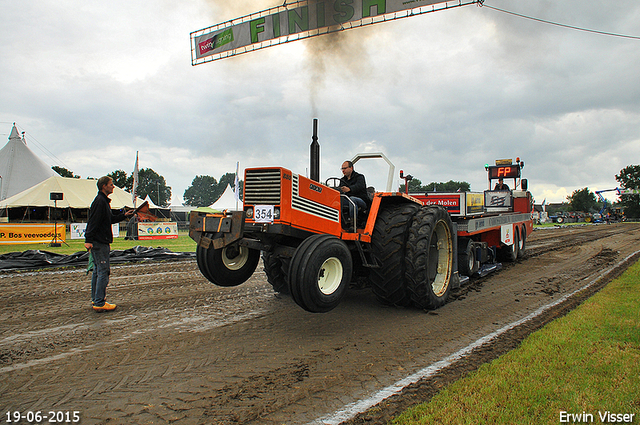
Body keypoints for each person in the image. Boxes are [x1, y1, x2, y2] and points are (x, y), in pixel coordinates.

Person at [85, 176, 134, 312]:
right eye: (111, 184)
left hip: (99, 241)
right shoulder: (100, 202)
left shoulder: (103, 201)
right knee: (103, 272)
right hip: (99, 242)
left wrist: (124, 215)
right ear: (104, 186)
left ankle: (96, 299)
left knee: (97, 271)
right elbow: (93, 222)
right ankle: (100, 303)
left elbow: (110, 219)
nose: (113, 187)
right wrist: (88, 240)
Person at [339, 160, 368, 225]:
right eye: (342, 169)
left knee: (352, 199)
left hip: (361, 200)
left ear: (351, 168)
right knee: (337, 201)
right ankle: (341, 222)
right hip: (347, 199)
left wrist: (349, 189)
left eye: (345, 168)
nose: (343, 170)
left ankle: (353, 223)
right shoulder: (342, 180)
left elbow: (360, 186)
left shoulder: (359, 177)